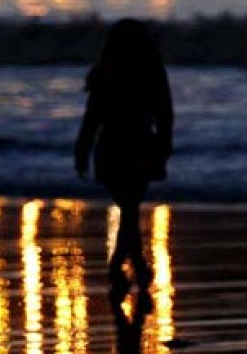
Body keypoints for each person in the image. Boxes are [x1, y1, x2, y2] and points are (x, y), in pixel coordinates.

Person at [74, 18, 173, 305]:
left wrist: (81, 150)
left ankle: (125, 268)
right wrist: (165, 143)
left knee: (128, 208)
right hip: (140, 142)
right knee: (130, 208)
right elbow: (165, 112)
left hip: (111, 146)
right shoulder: (152, 68)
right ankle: (129, 267)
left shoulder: (105, 69)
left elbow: (91, 118)